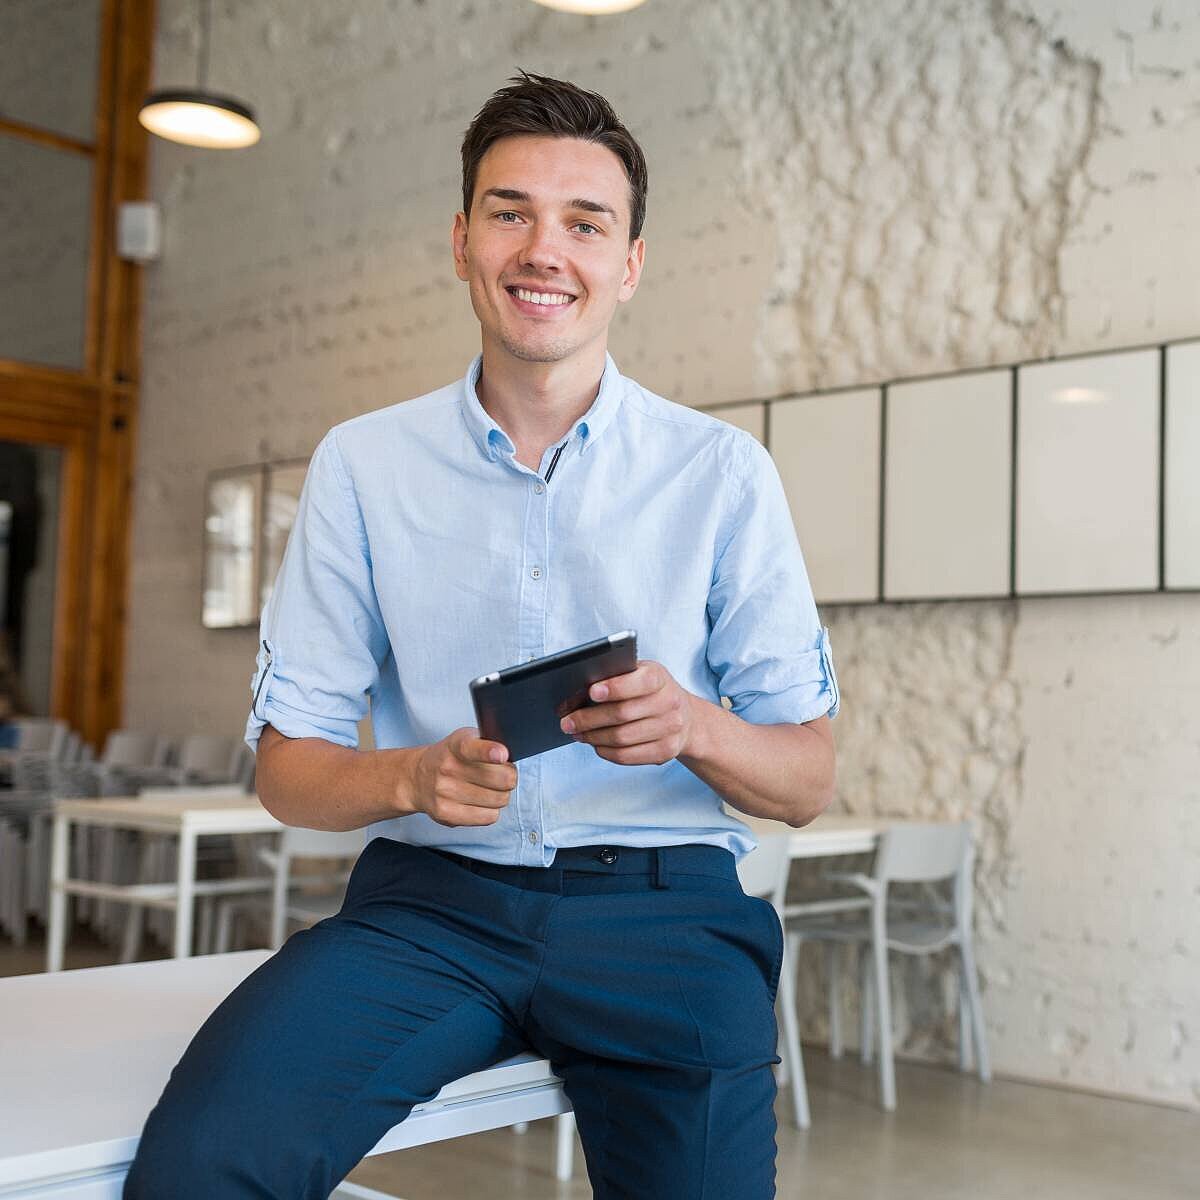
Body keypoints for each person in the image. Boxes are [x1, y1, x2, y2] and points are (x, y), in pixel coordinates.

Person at [125, 71, 839, 1200]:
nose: (542, 249)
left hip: (667, 917)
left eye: (584, 223)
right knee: (202, 1166)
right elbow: (286, 770)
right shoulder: (364, 466)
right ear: (462, 242)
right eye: (510, 213)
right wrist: (412, 774)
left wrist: (693, 724)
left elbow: (806, 780)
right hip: (431, 910)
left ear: (631, 264)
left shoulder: (723, 476)